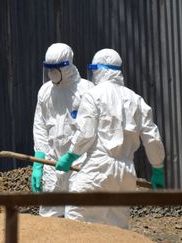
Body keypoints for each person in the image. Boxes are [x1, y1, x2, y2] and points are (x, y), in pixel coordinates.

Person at [55, 48, 165, 228]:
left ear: (99, 69)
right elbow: (152, 137)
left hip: (98, 170)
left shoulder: (93, 95)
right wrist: (158, 169)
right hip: (126, 175)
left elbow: (85, 133)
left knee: (77, 218)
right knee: (117, 228)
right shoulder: (135, 99)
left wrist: (71, 156)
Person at [32, 43, 94, 217]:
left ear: (66, 66)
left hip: (79, 161)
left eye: (55, 69)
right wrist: (39, 161)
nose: (51, 73)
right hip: (52, 161)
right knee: (49, 215)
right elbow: (40, 127)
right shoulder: (45, 92)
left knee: (78, 215)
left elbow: (89, 130)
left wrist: (72, 155)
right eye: (49, 69)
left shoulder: (86, 90)